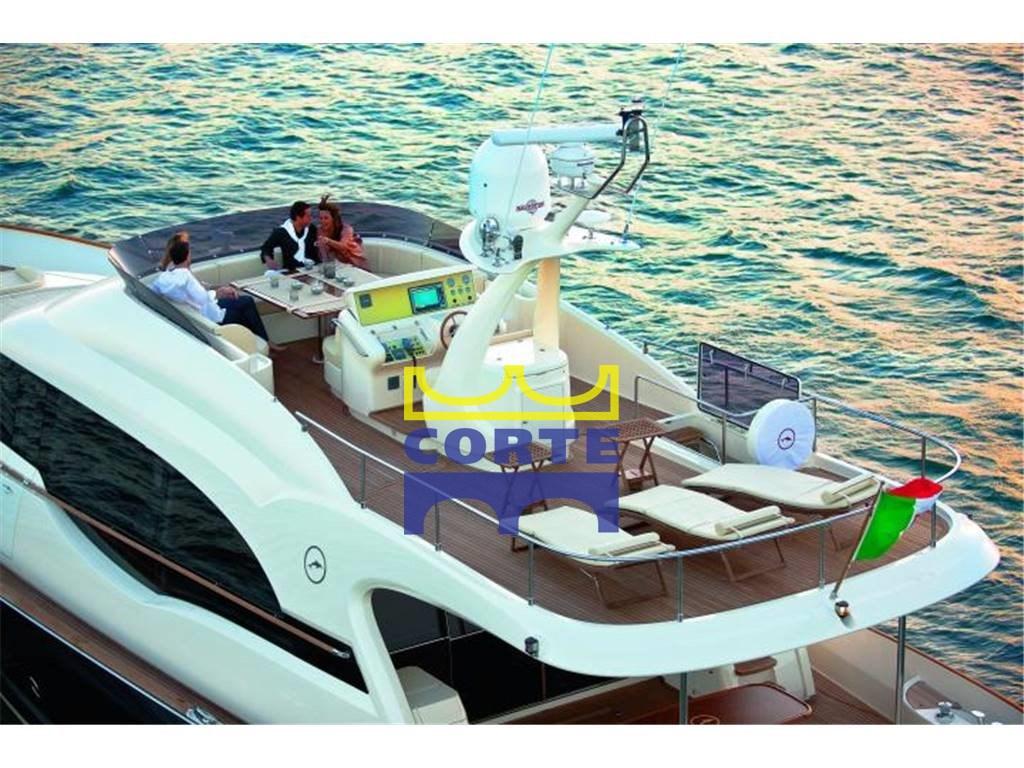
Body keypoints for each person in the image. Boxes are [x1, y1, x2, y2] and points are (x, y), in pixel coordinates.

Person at [152, 235, 276, 348]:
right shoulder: (186, 277)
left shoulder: (165, 277)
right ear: (188, 256)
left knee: (244, 302)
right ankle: (264, 343)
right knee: (246, 305)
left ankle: (262, 342)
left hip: (201, 313)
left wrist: (218, 290)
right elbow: (203, 299)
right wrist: (218, 293)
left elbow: (194, 293)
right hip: (213, 317)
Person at [260, 200, 319, 271]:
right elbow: (266, 247)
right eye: (308, 216)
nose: (311, 218)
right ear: (298, 217)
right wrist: (269, 260)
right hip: (292, 271)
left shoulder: (311, 229)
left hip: (312, 269)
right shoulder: (282, 232)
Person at [315, 194, 368, 270]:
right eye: (320, 218)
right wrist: (325, 265)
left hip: (354, 262)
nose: (322, 221)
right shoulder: (320, 230)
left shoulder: (346, 229)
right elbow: (323, 252)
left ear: (333, 219)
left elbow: (343, 246)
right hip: (337, 265)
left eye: (326, 218)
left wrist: (328, 241)